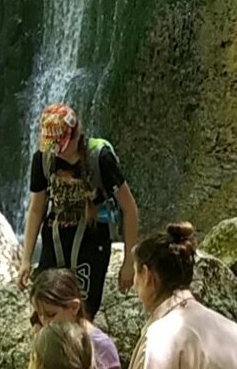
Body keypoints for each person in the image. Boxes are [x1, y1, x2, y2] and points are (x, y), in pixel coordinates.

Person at [16, 103, 139, 318]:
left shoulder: (99, 158)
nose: (55, 150)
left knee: (82, 312)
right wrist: (26, 260)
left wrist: (129, 262)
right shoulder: (43, 159)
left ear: (75, 136)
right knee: (42, 311)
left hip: (92, 237)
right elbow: (36, 209)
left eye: (60, 144)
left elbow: (129, 208)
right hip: (55, 237)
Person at [129, 222, 237, 368]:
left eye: (136, 272)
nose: (134, 283)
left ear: (148, 276)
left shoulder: (163, 337)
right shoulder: (229, 328)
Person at [30, 269, 120, 369]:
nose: (45, 323)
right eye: (39, 315)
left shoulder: (101, 345)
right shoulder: (45, 341)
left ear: (74, 307)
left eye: (51, 315)